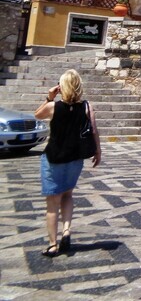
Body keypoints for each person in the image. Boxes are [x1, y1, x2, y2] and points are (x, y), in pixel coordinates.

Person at [33, 69, 102, 257]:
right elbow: (94, 130)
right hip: (75, 157)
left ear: (61, 86)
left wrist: (49, 97)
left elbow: (37, 115)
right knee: (68, 195)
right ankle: (67, 230)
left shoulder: (53, 107)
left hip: (54, 158)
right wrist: (98, 151)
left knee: (52, 202)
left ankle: (53, 244)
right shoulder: (87, 106)